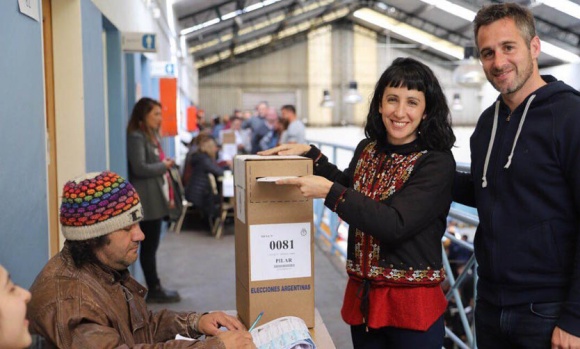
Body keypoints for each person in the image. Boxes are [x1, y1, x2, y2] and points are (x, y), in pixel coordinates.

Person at [261, 57, 456, 348]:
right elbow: (352, 189)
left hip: (411, 309)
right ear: (379, 104)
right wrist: (312, 157)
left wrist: (328, 191)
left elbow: (395, 223)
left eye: (412, 102)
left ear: (426, 111)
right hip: (364, 302)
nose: (400, 112)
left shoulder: (436, 162)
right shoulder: (367, 149)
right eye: (392, 99)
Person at [452, 3, 580, 348]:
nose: (498, 62)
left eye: (508, 47)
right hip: (491, 302)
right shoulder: (484, 126)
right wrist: (430, 170)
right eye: (487, 53)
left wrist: (574, 319)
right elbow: (490, 189)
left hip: (549, 310)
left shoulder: (570, 116)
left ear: (534, 47)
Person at [26, 171, 255, 349]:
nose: (140, 235)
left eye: (138, 224)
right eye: (127, 228)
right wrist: (216, 346)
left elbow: (140, 327)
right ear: (93, 238)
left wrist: (195, 322)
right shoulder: (69, 302)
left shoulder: (103, 267)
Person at [126, 97, 180, 303]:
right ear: (143, 115)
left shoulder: (150, 137)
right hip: (147, 202)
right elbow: (139, 167)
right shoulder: (136, 137)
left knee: (151, 247)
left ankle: (154, 285)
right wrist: (163, 166)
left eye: (160, 114)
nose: (159, 118)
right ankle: (154, 288)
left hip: (155, 200)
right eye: (155, 114)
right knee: (148, 248)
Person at [184, 135, 229, 227]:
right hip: (199, 195)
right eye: (215, 147)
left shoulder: (199, 157)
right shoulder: (204, 159)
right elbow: (218, 171)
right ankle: (222, 218)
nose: (216, 150)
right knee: (223, 197)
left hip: (194, 191)